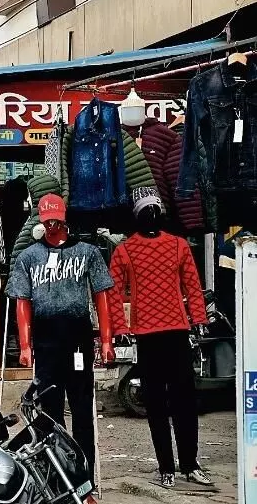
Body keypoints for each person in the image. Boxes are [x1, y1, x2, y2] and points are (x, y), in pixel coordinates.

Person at [6, 193, 115, 485]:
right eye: (46, 220)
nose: (50, 225)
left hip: (77, 339)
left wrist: (106, 340)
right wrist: (25, 345)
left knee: (82, 414)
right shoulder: (29, 257)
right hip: (45, 341)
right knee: (50, 416)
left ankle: (84, 481)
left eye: (55, 219)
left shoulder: (88, 253)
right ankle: (57, 481)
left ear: (64, 218)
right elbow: (22, 302)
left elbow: (102, 295)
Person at [107, 194, 212, 488]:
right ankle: (167, 466)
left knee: (184, 401)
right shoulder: (125, 251)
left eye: (155, 211)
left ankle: (189, 464)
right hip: (148, 335)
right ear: (138, 216)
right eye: (147, 211)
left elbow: (193, 284)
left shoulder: (177, 245)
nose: (152, 215)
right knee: (156, 404)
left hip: (176, 331)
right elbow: (114, 291)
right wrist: (119, 327)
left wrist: (199, 319)